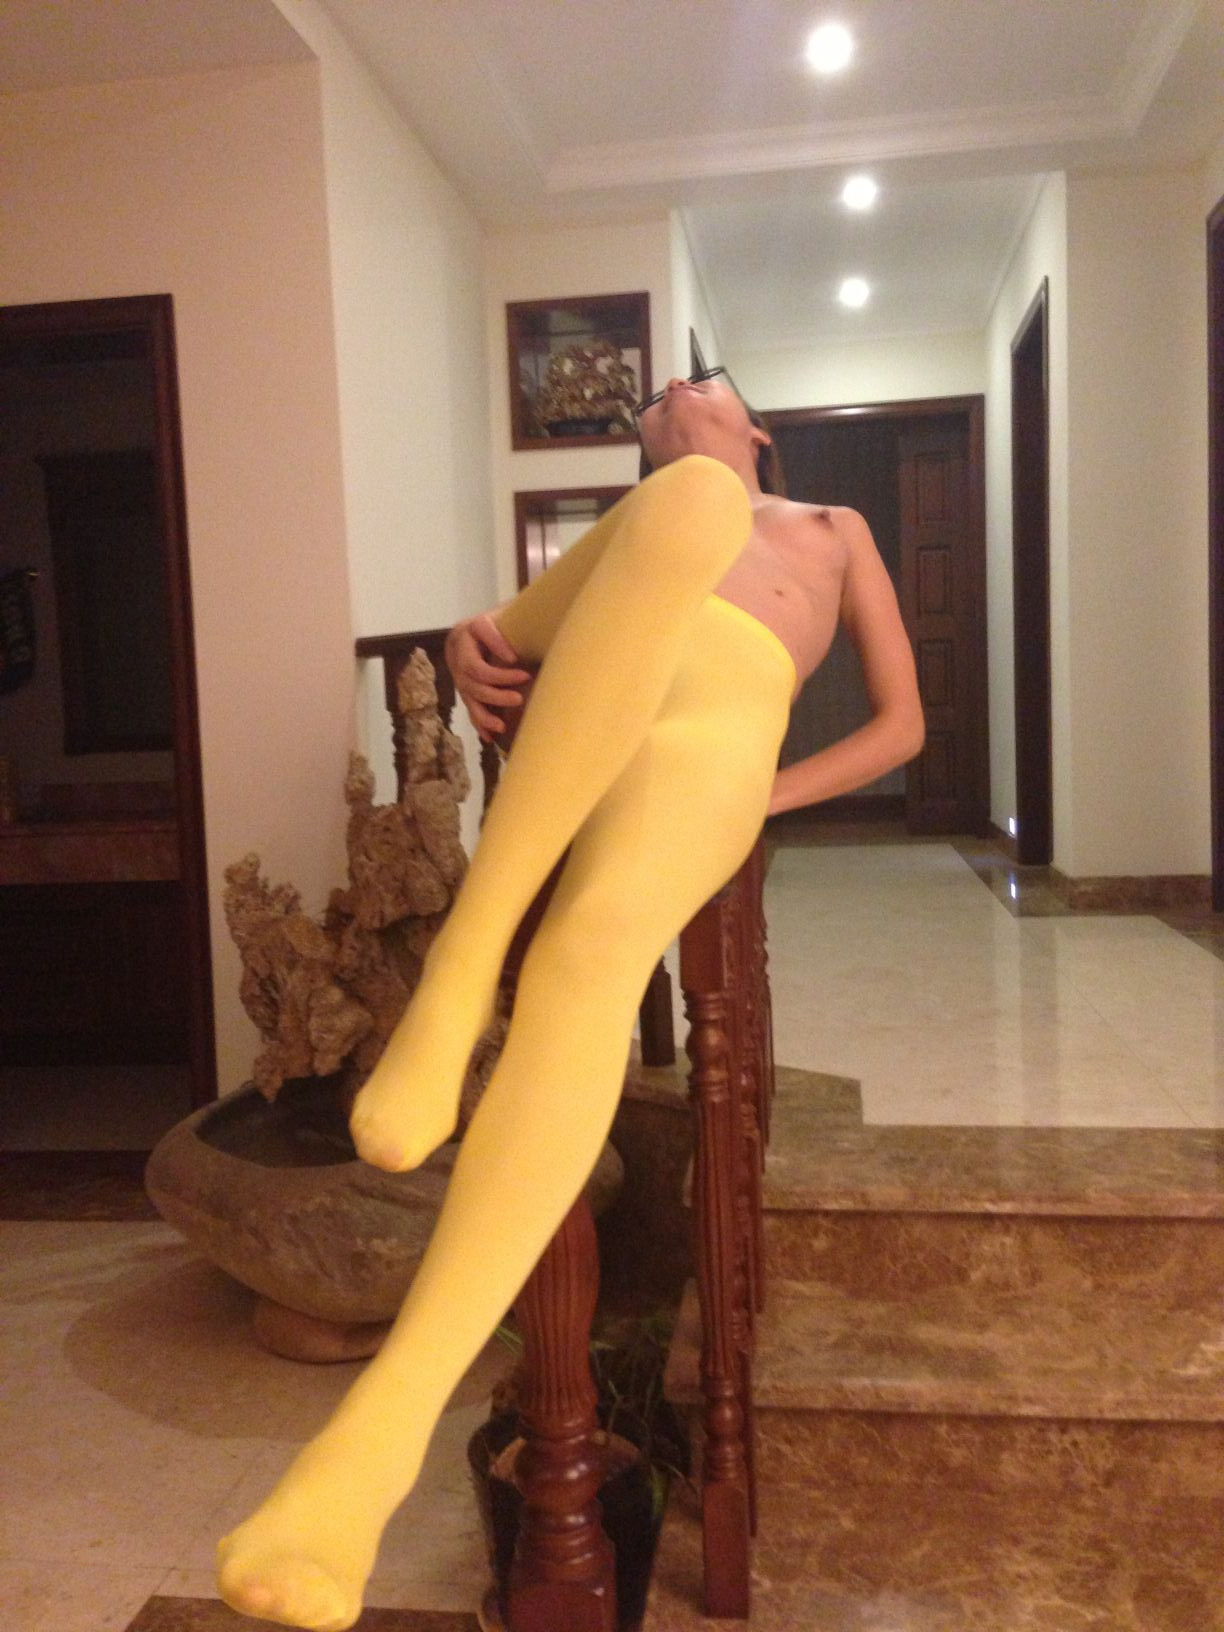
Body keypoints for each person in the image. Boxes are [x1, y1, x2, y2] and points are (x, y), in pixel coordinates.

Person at [216, 370, 924, 1631]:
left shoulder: (833, 529)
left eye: (700, 380)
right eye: (655, 395)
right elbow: (520, 651)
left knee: (588, 965)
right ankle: (463, 965)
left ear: (761, 427)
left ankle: (364, 1456)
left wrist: (766, 794)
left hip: (707, 756)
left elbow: (902, 723)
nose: (673, 388)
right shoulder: (653, 520)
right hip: (596, 722)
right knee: (686, 506)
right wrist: (471, 641)